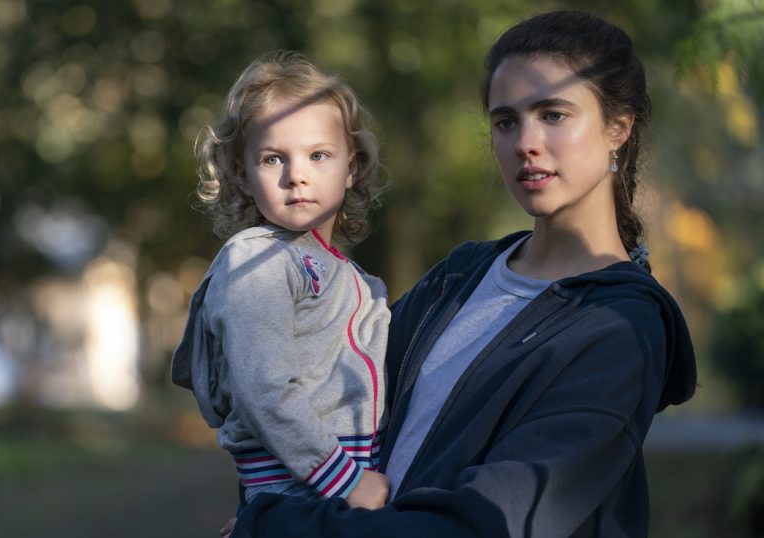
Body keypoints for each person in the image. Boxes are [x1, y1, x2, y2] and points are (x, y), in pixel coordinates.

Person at [224, 10, 697, 537]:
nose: (526, 142)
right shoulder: (460, 276)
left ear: (618, 127)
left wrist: (275, 529)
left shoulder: (619, 328)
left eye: (554, 114)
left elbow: (483, 525)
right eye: (506, 121)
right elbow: (317, 404)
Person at [171, 51, 392, 512]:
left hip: (335, 485)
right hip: (303, 486)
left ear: (351, 167)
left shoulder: (357, 280)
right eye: (273, 159)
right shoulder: (257, 261)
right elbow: (264, 389)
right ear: (242, 174)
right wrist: (347, 483)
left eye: (318, 155)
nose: (297, 176)